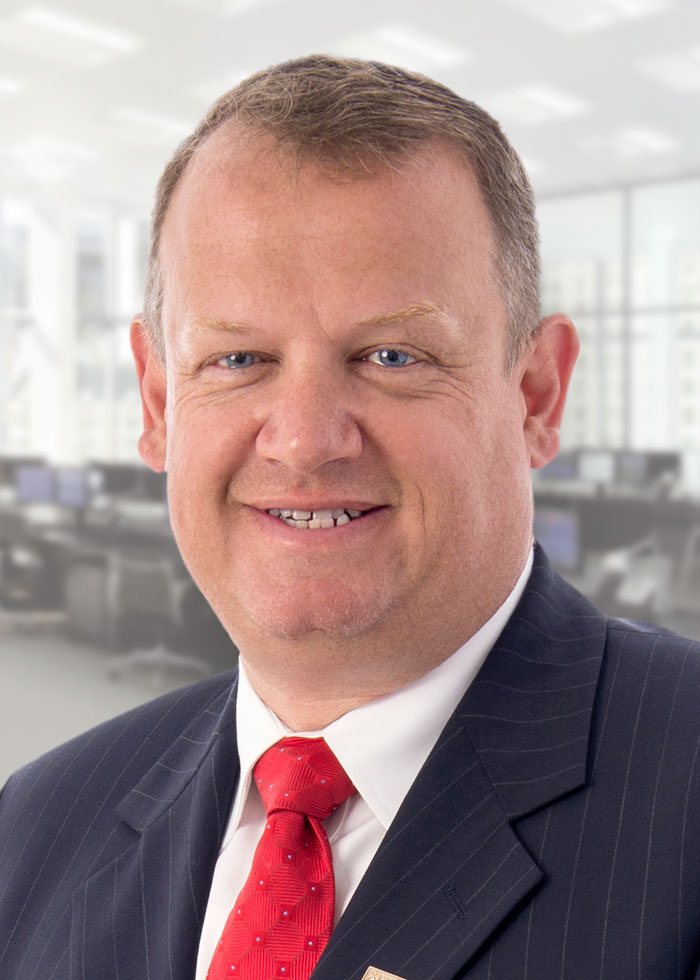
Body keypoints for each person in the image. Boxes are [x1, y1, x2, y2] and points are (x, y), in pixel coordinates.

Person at [1, 55, 699, 980]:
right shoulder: (35, 825)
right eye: (240, 358)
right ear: (159, 404)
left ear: (536, 394)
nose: (303, 441)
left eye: (392, 355)